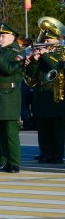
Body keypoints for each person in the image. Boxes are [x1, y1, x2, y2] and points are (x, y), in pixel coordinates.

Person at [0, 24, 24, 173]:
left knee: (10, 131)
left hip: (9, 94)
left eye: (3, 36)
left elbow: (10, 69)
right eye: (0, 36)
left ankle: (14, 163)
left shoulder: (18, 52)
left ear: (12, 37)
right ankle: (4, 161)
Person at [26, 26, 65, 164]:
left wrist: (45, 55)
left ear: (57, 40)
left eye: (49, 39)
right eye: (45, 39)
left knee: (56, 127)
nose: (46, 41)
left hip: (54, 94)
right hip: (41, 94)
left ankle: (57, 154)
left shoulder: (61, 53)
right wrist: (35, 60)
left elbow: (58, 67)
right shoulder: (41, 55)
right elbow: (30, 74)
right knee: (43, 127)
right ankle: (45, 152)